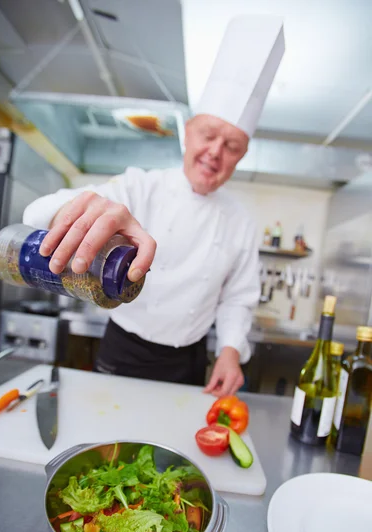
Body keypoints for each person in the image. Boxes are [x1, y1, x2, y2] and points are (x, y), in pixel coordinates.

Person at [23, 15, 285, 397]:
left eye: (232, 146)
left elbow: (238, 298)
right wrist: (85, 209)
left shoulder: (241, 221)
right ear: (188, 133)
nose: (215, 152)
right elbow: (35, 213)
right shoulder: (140, 186)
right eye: (209, 135)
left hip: (191, 359)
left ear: (242, 155)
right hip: (125, 347)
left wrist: (230, 352)